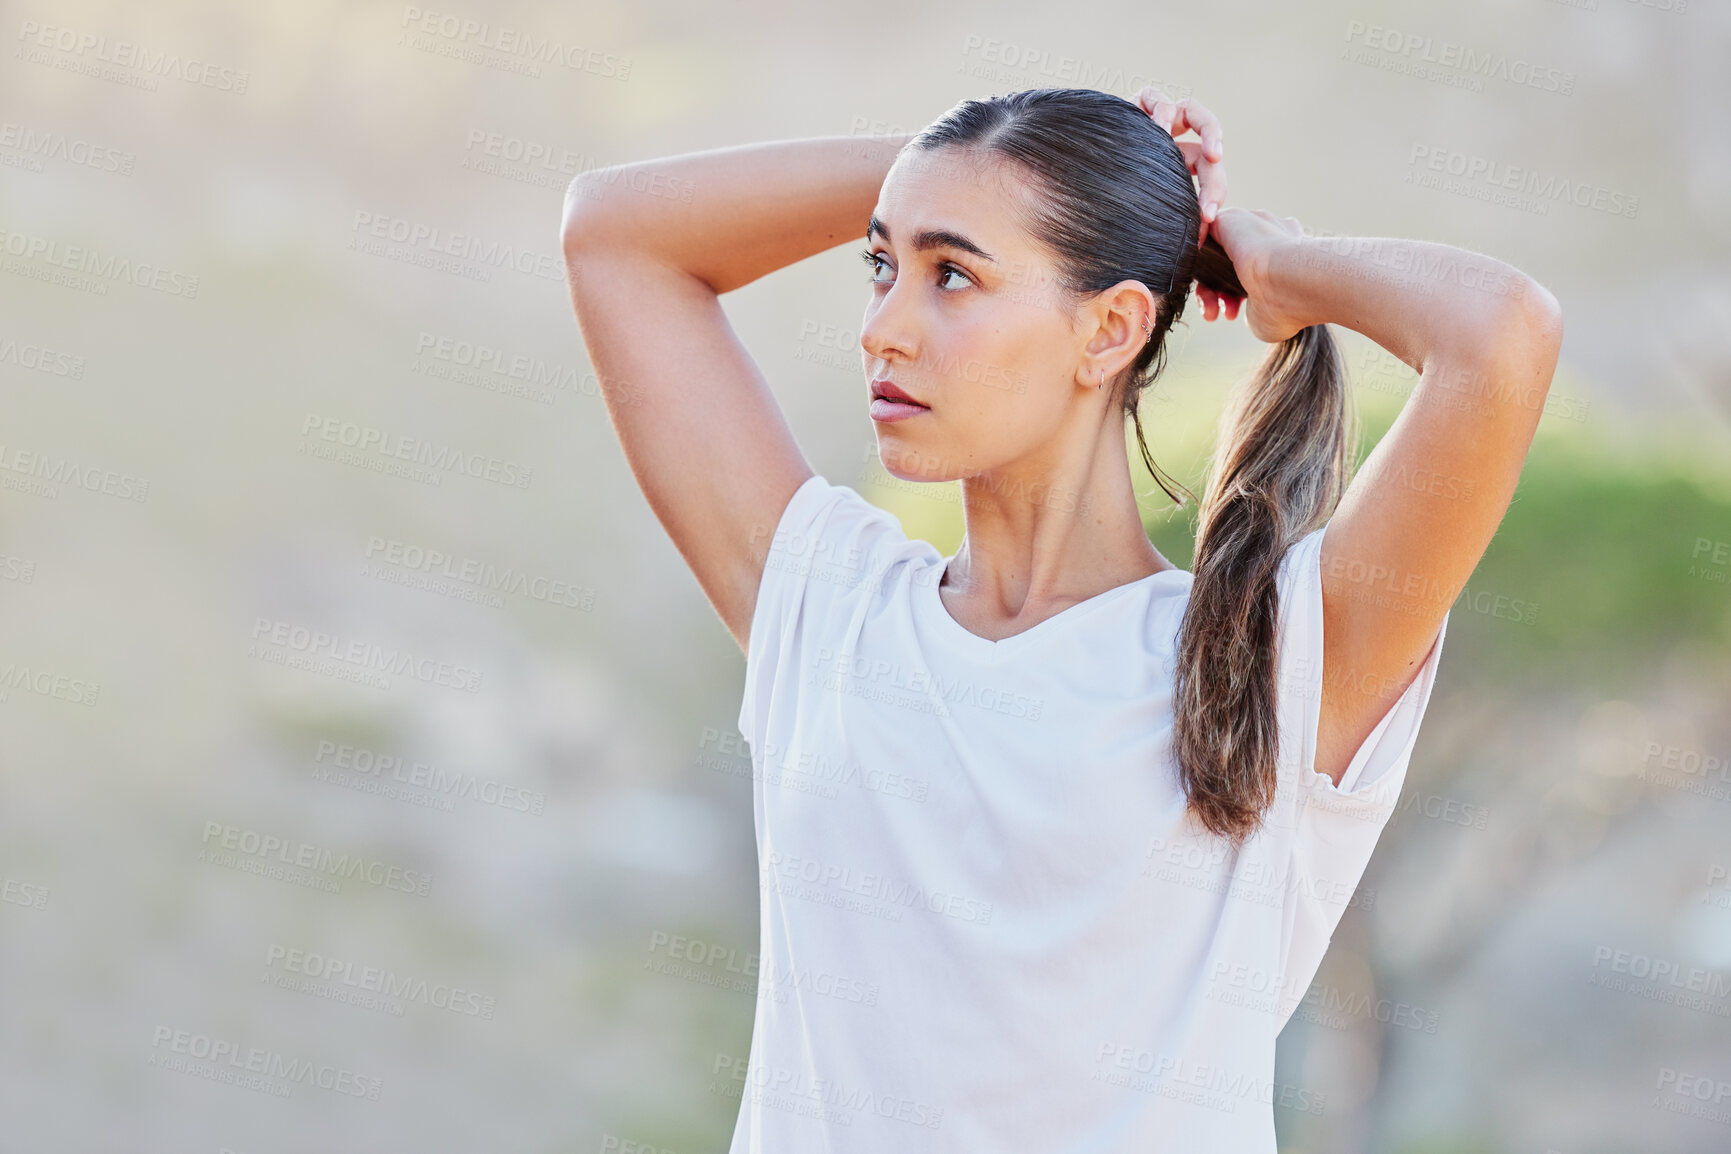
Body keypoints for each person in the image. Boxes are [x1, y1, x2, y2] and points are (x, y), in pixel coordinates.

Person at [561, 86, 1562, 1153]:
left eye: (954, 274)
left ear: (1114, 327)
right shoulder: (827, 609)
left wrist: (1264, 266)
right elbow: (613, 235)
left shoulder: (1275, 661)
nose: (882, 327)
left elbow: (1502, 336)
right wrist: (976, 167)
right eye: (882, 265)